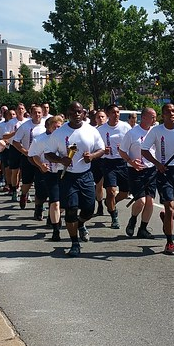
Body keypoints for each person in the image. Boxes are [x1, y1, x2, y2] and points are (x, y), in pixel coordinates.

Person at [46, 102, 107, 257]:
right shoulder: (59, 133)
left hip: (86, 175)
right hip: (67, 176)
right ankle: (74, 243)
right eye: (73, 112)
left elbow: (101, 149)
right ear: (68, 114)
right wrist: (61, 160)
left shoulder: (91, 130)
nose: (77, 114)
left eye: (79, 112)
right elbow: (48, 153)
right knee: (71, 210)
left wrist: (92, 156)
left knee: (88, 209)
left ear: (84, 114)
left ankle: (81, 224)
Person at [141, 103, 174, 256]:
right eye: (168, 112)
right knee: (169, 206)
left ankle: (165, 217)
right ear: (163, 115)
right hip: (164, 171)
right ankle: (169, 242)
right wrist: (157, 164)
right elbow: (144, 150)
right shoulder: (156, 131)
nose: (171, 114)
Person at [120, 107, 157, 239]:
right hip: (135, 170)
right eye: (152, 117)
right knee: (140, 201)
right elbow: (122, 151)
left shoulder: (155, 132)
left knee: (150, 201)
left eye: (155, 117)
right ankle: (133, 219)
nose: (155, 120)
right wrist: (131, 161)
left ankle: (143, 228)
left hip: (151, 169)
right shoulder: (132, 133)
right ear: (145, 117)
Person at [96, 103, 131, 230]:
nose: (116, 115)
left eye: (117, 112)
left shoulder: (125, 127)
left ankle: (110, 203)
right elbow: (95, 146)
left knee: (125, 192)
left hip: (123, 162)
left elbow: (132, 142)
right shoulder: (101, 130)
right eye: (113, 113)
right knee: (110, 191)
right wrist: (102, 150)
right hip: (108, 162)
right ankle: (113, 216)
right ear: (108, 114)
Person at [29, 114, 64, 238]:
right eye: (54, 127)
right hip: (48, 172)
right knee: (51, 199)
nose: (57, 129)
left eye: (59, 127)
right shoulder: (40, 139)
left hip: (63, 172)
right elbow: (33, 155)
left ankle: (54, 220)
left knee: (61, 201)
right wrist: (40, 165)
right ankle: (55, 227)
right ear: (48, 127)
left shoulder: (66, 138)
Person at [11, 105, 45, 211]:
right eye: (35, 112)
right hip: (28, 158)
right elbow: (15, 141)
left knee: (41, 183)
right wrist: (25, 152)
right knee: (27, 182)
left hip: (42, 159)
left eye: (39, 112)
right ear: (30, 114)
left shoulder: (46, 124)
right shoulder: (25, 126)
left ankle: (38, 207)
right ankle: (23, 194)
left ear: (42, 113)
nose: (37, 115)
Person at [0, 107, 21, 199]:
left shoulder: (22, 122)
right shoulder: (2, 125)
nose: (12, 116)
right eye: (10, 114)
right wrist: (5, 140)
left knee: (19, 171)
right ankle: (9, 185)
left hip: (20, 148)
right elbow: (1, 136)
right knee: (8, 168)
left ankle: (18, 187)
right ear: (6, 116)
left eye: (13, 114)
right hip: (7, 148)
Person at [90, 109, 108, 216]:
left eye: (102, 117)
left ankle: (107, 202)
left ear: (106, 118)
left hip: (111, 161)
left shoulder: (112, 130)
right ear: (96, 119)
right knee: (99, 185)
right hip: (98, 160)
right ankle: (100, 204)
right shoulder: (93, 131)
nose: (100, 119)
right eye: (98, 117)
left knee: (111, 188)